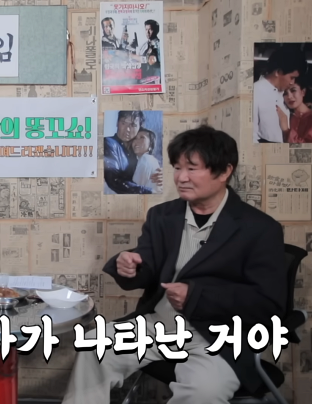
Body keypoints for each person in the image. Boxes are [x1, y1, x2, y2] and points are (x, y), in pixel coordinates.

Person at [63, 126, 287, 404]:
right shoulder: (162, 216)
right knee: (95, 346)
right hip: (159, 324)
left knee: (203, 392)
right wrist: (130, 266)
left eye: (192, 169)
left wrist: (197, 296)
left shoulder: (259, 228)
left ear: (224, 171)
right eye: (177, 168)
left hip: (219, 338)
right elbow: (147, 266)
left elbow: (268, 303)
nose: (181, 177)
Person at [253, 45, 307, 143]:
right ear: (278, 72)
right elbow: (251, 136)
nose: (292, 82)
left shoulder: (284, 94)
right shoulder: (255, 92)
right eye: (291, 77)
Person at [104, 110, 162, 194]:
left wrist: (159, 174)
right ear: (117, 123)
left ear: (139, 128)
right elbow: (113, 179)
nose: (127, 129)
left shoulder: (136, 152)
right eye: (123, 123)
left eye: (133, 125)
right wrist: (149, 191)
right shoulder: (109, 143)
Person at [277, 75, 312, 143]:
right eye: (285, 93)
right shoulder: (288, 117)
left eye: (293, 90)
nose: (289, 96)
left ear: (303, 92)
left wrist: (286, 130)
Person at [130, 128, 162, 193]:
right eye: (135, 138)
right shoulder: (151, 160)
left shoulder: (146, 159)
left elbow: (135, 189)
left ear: (150, 144)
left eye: (142, 137)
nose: (136, 141)